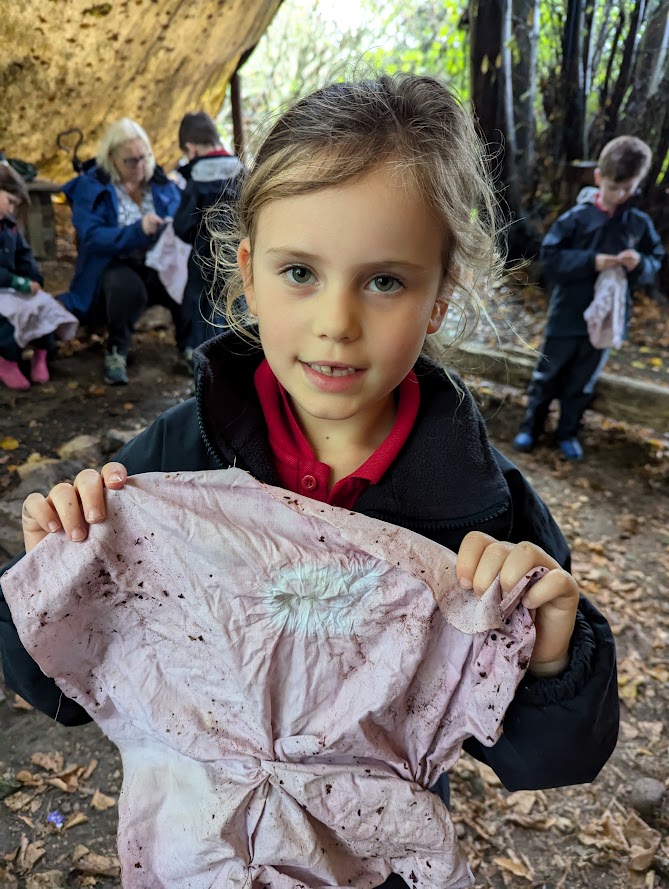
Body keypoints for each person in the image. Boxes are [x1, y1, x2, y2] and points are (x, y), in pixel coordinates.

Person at [2, 75, 618, 887]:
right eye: (300, 272)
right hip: (195, 846)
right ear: (248, 271)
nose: (336, 321)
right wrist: (58, 572)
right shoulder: (176, 463)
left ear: (438, 298)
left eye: (385, 280)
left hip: (367, 862)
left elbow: (551, 757)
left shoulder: (484, 513)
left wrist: (552, 654)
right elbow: (71, 692)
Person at [513, 135, 664, 460]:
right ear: (599, 178)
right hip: (568, 313)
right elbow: (550, 258)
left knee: (582, 381)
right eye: (614, 188)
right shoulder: (575, 218)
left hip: (607, 319)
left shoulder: (637, 222)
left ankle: (567, 433)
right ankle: (530, 428)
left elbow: (656, 259)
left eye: (629, 189)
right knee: (548, 374)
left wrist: (641, 263)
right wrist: (592, 262)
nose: (621, 196)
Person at [59, 118, 193, 385]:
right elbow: (92, 237)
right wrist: (137, 230)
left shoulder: (160, 183)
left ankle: (189, 349)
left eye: (144, 157)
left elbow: (182, 218)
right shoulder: (93, 186)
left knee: (188, 277)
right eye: (131, 161)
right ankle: (116, 351)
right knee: (126, 287)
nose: (140, 166)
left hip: (157, 261)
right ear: (111, 159)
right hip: (113, 264)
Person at [0, 163, 77, 389]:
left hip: (14, 286)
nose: (12, 209)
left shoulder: (10, 226)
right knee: (9, 317)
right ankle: (7, 359)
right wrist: (17, 282)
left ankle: (41, 353)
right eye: (10, 202)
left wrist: (34, 277)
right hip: (7, 286)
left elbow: (24, 254)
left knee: (44, 306)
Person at [173, 111, 243, 354]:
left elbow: (181, 227)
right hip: (238, 263)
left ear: (191, 149)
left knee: (204, 323)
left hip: (203, 264)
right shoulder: (242, 171)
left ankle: (204, 375)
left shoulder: (196, 179)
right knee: (238, 319)